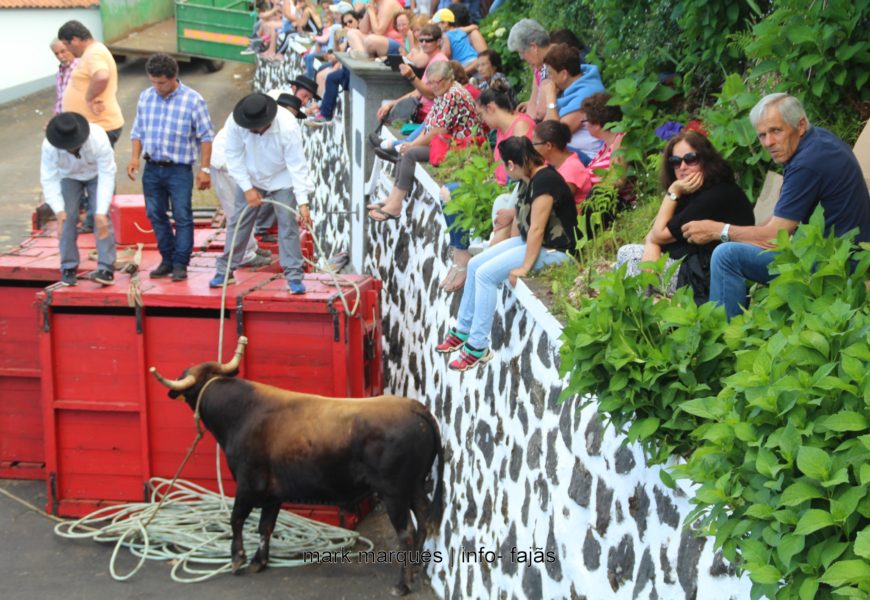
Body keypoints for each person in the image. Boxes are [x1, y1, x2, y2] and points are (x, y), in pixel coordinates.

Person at [681, 93, 870, 319]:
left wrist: (717, 230)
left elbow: (772, 237)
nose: (768, 142)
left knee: (726, 255)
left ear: (800, 125)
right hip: (846, 253)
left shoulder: (805, 164)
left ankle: (721, 341)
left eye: (776, 131)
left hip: (838, 267)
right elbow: (780, 224)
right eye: (762, 134)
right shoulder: (819, 141)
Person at [436, 136, 576, 371]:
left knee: (486, 275)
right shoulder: (529, 178)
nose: (504, 169)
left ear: (511, 164)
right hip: (532, 243)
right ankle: (463, 329)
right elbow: (523, 225)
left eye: (504, 165)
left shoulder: (545, 182)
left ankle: (477, 346)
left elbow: (537, 229)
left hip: (556, 250)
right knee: (475, 264)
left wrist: (524, 267)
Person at [616, 131, 754, 302]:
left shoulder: (716, 195)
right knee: (631, 258)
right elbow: (657, 234)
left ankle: (643, 316)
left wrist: (673, 192)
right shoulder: (695, 193)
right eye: (675, 162)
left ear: (705, 159)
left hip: (707, 279)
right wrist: (652, 241)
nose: (682, 167)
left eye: (690, 159)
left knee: (629, 254)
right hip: (695, 267)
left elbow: (659, 234)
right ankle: (644, 312)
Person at [210, 93, 315, 295]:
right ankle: (225, 271)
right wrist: (247, 188)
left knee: (287, 224)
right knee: (239, 222)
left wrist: (303, 202)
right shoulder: (235, 122)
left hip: (282, 178)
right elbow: (233, 155)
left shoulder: (287, 126)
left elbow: (297, 165)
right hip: (250, 176)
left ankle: (294, 276)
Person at [127, 53, 214, 282]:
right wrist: (135, 159)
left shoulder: (193, 100)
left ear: (174, 77)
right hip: (152, 168)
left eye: (161, 82)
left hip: (179, 169)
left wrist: (204, 170)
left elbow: (206, 136)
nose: (157, 87)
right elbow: (137, 132)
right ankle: (166, 258)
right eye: (153, 82)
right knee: (155, 214)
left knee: (182, 215)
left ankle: (180, 263)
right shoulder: (146, 97)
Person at [368, 60, 481, 222]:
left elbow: (437, 130)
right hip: (447, 142)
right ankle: (392, 199)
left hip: (461, 148)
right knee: (406, 148)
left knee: (410, 153)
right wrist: (410, 143)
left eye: (437, 82)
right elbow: (430, 124)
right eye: (431, 82)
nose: (433, 86)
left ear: (449, 78)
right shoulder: (444, 92)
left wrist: (412, 144)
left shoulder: (453, 94)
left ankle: (395, 205)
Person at [41, 112, 117, 286]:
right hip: (68, 177)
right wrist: (58, 210)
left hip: (97, 175)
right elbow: (49, 178)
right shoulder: (49, 146)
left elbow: (107, 174)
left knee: (102, 219)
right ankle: (68, 266)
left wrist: (100, 211)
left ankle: (106, 267)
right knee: (67, 218)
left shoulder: (98, 137)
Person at [57, 21, 124, 147]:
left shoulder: (94, 53)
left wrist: (89, 97)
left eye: (66, 44)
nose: (67, 50)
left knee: (95, 166)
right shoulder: (92, 52)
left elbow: (101, 76)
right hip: (92, 127)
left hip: (99, 127)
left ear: (75, 40)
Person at [540, 43, 605, 160]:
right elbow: (542, 129)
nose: (549, 79)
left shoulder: (586, 93)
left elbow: (554, 135)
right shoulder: (569, 88)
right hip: (573, 152)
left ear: (564, 74)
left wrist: (550, 97)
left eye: (551, 74)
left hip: (588, 157)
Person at [532, 120, 591, 210]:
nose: (532, 148)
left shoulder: (572, 168)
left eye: (534, 144)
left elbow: (557, 202)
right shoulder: (549, 162)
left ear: (548, 145)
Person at [506, 19, 550, 122]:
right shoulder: (539, 68)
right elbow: (532, 102)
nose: (521, 58)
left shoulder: (551, 66)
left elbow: (540, 112)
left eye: (521, 52)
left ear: (534, 47)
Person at [582, 92, 624, 183]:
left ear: (596, 123)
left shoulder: (621, 140)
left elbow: (618, 181)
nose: (584, 125)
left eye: (585, 121)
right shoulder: (605, 145)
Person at [51, 38, 78, 116]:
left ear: (70, 49)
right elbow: (60, 98)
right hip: (63, 117)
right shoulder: (59, 73)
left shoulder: (80, 68)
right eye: (56, 53)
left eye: (63, 51)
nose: (60, 56)